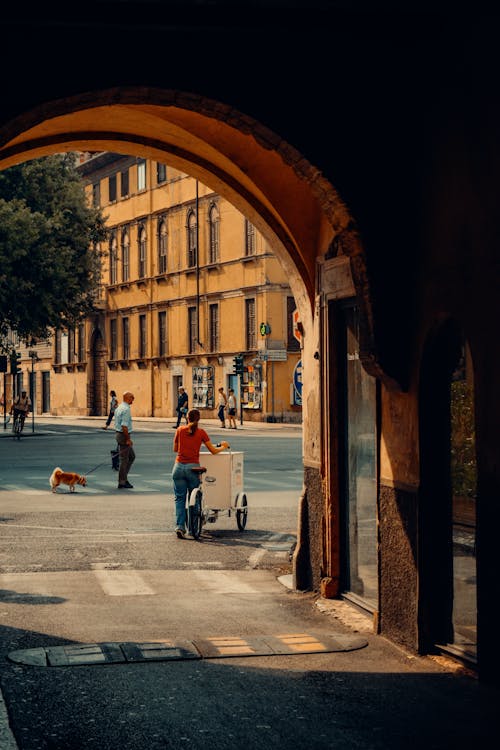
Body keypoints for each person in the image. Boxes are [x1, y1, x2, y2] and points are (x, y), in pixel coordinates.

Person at [172, 408, 229, 538]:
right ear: (199, 419)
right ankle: (193, 529)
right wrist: (224, 446)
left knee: (179, 499)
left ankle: (180, 527)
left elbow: (175, 449)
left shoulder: (180, 430)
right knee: (195, 498)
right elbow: (213, 451)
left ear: (187, 418)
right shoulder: (201, 432)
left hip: (178, 468)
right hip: (193, 469)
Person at [114, 391, 135, 489]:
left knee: (131, 456)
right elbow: (124, 426)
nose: (133, 399)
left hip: (119, 434)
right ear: (127, 398)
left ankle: (123, 478)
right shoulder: (126, 409)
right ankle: (122, 481)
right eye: (132, 397)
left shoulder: (119, 407)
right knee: (125, 459)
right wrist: (128, 439)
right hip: (123, 435)